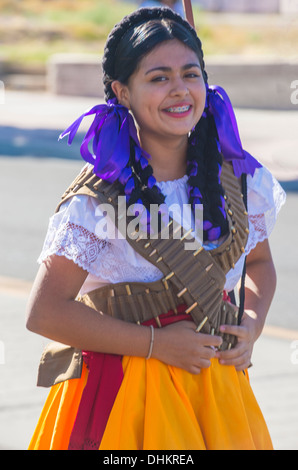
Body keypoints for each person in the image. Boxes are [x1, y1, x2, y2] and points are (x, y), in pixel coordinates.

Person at [26, 7, 285, 450]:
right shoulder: (96, 202)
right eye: (158, 77)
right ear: (122, 92)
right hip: (126, 396)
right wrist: (155, 345)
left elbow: (259, 263)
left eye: (190, 73)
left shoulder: (239, 181)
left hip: (218, 391)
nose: (180, 90)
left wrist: (252, 324)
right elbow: (45, 312)